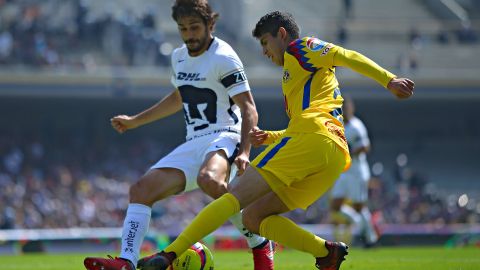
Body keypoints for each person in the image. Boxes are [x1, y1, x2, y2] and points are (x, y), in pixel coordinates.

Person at [136, 11, 415, 270]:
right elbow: (304, 126)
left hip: (315, 138)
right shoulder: (297, 75)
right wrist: (271, 137)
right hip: (331, 155)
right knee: (254, 217)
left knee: (235, 196)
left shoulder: (301, 48)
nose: (264, 52)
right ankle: (325, 252)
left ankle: (169, 254)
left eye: (266, 43)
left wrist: (389, 80)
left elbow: (346, 55)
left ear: (282, 34)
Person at [83, 1, 275, 270]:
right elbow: (179, 97)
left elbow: (249, 108)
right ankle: (127, 261)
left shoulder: (224, 56)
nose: (189, 34)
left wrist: (244, 151)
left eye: (195, 27)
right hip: (194, 140)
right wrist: (135, 121)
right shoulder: (178, 57)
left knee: (209, 179)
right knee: (141, 190)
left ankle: (260, 243)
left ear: (211, 25)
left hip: (225, 135)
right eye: (183, 28)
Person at [329, 95, 378, 247]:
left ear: (352, 109)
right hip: (343, 172)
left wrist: (349, 152)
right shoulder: (337, 125)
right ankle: (358, 223)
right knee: (335, 206)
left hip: (357, 172)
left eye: (346, 108)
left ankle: (371, 239)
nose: (343, 111)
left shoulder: (357, 126)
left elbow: (366, 147)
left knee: (359, 207)